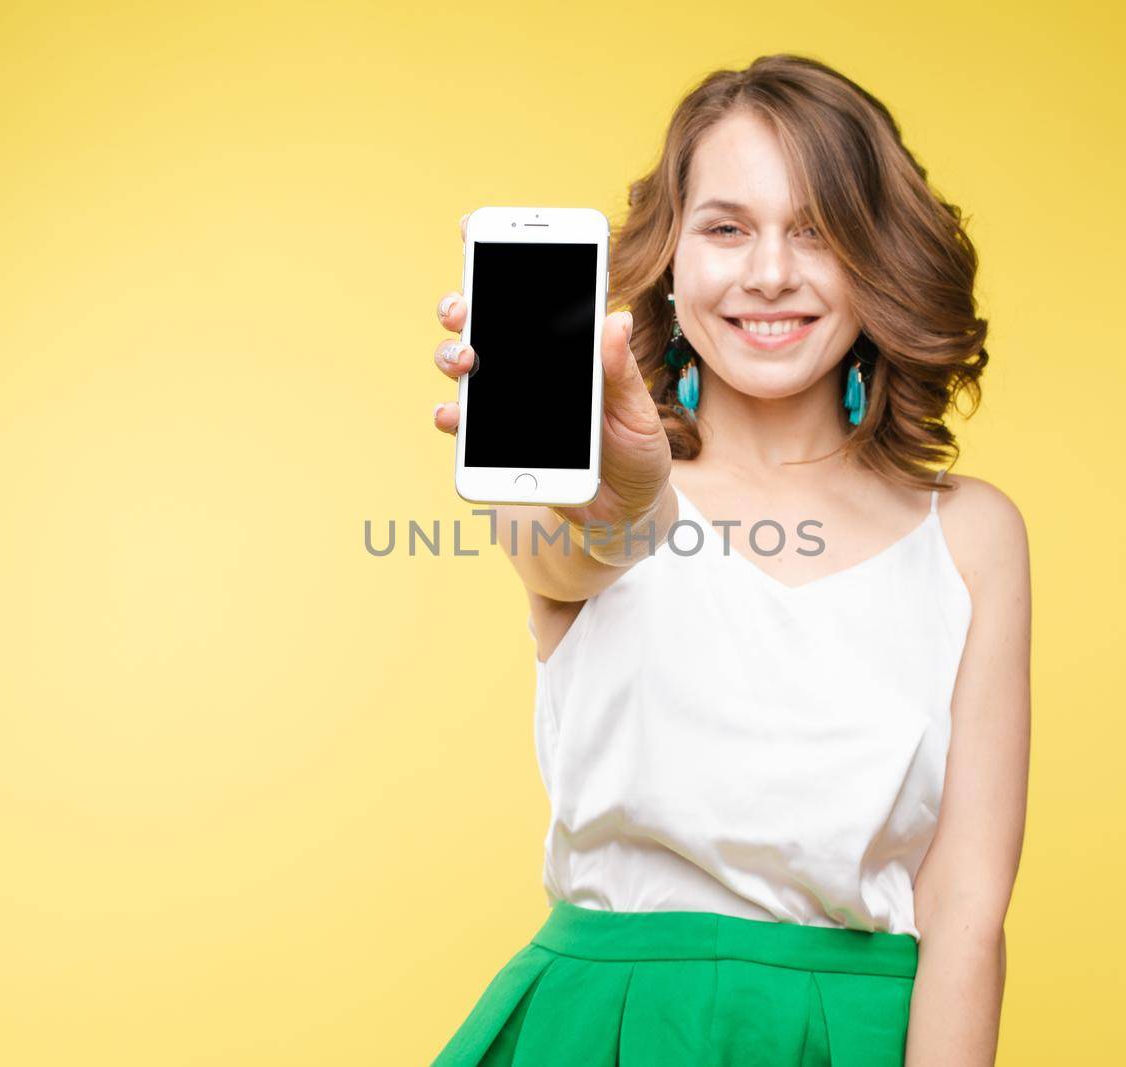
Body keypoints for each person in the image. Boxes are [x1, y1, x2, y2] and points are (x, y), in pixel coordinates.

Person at [427, 53, 1031, 1067]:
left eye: (817, 230)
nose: (767, 274)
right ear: (671, 259)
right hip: (602, 1032)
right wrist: (620, 498)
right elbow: (569, 558)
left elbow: (966, 913)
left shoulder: (972, 534)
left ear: (878, 258)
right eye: (725, 227)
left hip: (852, 1035)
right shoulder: (576, 491)